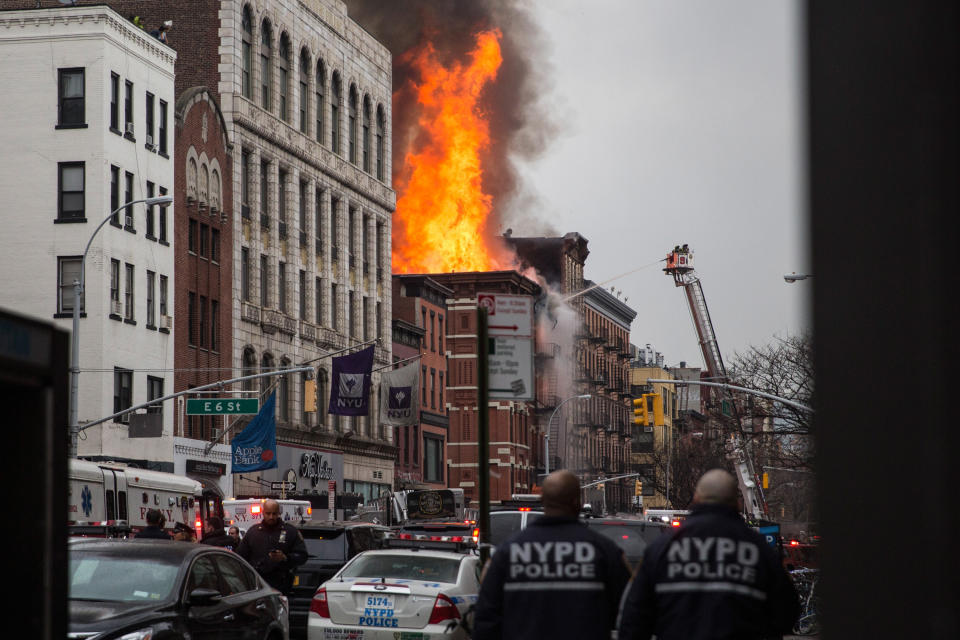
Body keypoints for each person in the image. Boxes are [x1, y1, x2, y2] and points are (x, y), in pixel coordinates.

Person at [617, 469, 800, 640]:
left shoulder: (662, 547)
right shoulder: (759, 550)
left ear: (696, 498)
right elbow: (787, 613)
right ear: (736, 503)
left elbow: (633, 618)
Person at [472, 470, 632, 640]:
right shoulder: (604, 551)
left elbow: (485, 620)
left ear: (543, 501)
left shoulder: (507, 553)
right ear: (577, 502)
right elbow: (630, 613)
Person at [236, 499, 308, 594]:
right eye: (268, 513)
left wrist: (285, 558)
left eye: (274, 514)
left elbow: (302, 556)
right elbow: (240, 557)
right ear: (263, 513)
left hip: (282, 585)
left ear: (279, 513)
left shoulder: (290, 532)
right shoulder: (253, 532)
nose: (271, 517)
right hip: (258, 585)